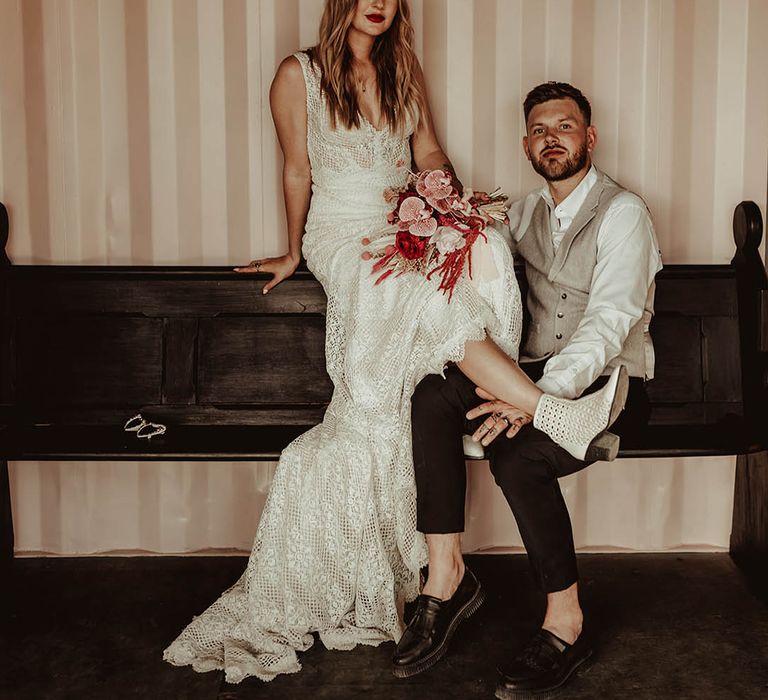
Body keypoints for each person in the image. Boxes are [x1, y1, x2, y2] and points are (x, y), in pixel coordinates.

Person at [163, 3, 628, 684]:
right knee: (425, 293)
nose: (378, 1)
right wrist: (293, 251)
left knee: (480, 253)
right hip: (344, 237)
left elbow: (428, 153)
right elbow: (298, 168)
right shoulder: (299, 74)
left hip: (404, 226)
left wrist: (455, 207)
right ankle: (552, 409)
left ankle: (455, 559)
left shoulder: (402, 67)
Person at [393, 82, 662, 698]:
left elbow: (610, 320)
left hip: (607, 384)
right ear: (526, 146)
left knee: (517, 452)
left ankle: (567, 623)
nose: (552, 138)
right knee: (432, 395)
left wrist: (538, 397)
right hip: (531, 376)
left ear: (589, 138)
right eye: (540, 130)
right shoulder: (519, 214)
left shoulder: (625, 214)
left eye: (565, 127)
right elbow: (477, 264)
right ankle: (446, 577)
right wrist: (432, 231)